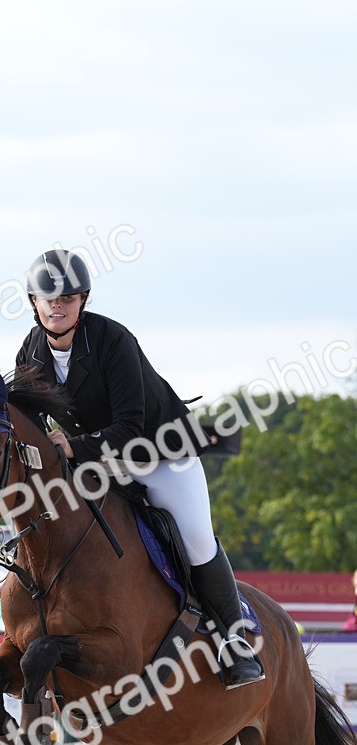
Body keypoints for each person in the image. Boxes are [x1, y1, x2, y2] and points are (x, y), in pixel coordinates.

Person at [15, 247, 264, 689]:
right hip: (99, 463)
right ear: (34, 302)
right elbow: (29, 429)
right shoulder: (31, 352)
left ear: (83, 301)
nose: (57, 305)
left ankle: (235, 639)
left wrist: (70, 448)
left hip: (160, 453)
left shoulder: (113, 340)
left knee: (196, 537)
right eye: (48, 297)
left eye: (67, 298)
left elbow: (129, 428)